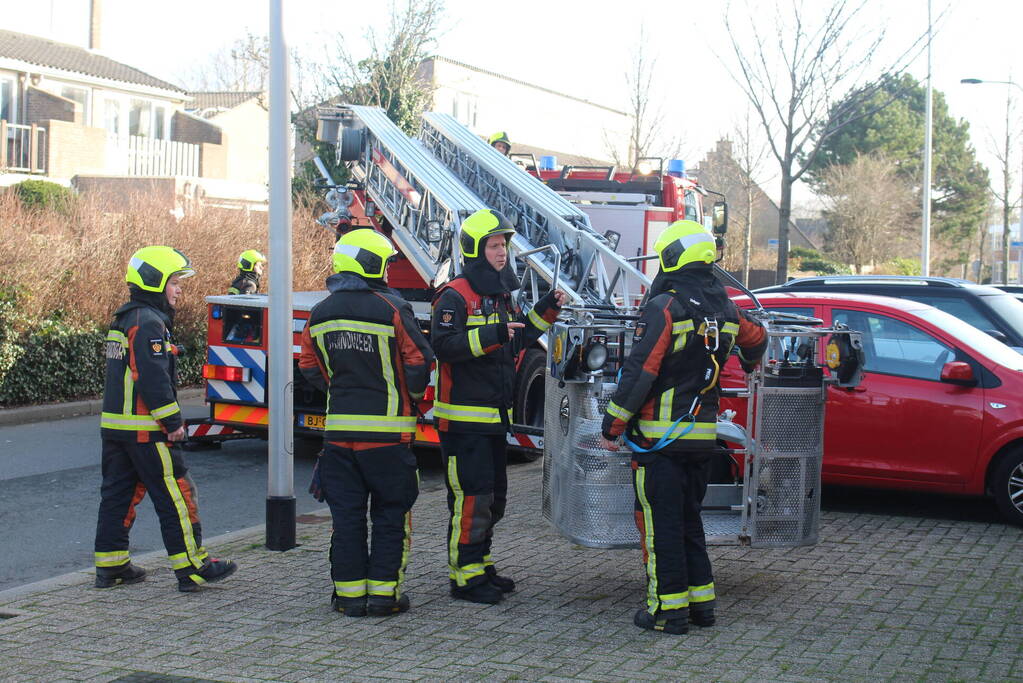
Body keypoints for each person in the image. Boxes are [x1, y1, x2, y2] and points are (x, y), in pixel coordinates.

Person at [598, 220, 767, 635]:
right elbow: (758, 339)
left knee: (660, 529)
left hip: (660, 443)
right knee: (691, 523)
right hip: (702, 443)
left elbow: (640, 374)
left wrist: (612, 424)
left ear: (672, 257)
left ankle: (666, 611)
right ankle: (701, 607)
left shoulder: (666, 308)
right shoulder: (727, 309)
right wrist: (746, 364)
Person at [431, 208, 566, 604]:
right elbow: (445, 347)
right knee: (471, 500)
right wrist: (492, 333)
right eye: (493, 245)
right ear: (475, 249)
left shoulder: (500, 295)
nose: (502, 252)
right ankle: (464, 578)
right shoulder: (454, 296)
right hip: (463, 423)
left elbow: (518, 340)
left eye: (504, 244)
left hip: (493, 421)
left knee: (493, 499)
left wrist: (546, 311)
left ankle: (481, 565)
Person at [299, 229, 434, 617]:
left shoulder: (320, 312)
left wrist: (339, 388)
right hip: (388, 438)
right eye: (386, 263)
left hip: (339, 438)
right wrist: (406, 397)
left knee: (347, 520)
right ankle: (383, 597)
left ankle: (349, 598)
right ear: (371, 264)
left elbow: (308, 365)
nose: (389, 272)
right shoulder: (391, 308)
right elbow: (419, 362)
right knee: (391, 516)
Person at [95, 246, 237, 592]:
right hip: (146, 431)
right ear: (155, 281)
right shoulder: (148, 322)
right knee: (177, 495)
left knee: (118, 496)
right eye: (174, 282)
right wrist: (173, 423)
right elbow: (153, 377)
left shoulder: (125, 319)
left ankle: (111, 567)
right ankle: (193, 567)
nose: (179, 289)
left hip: (117, 429)